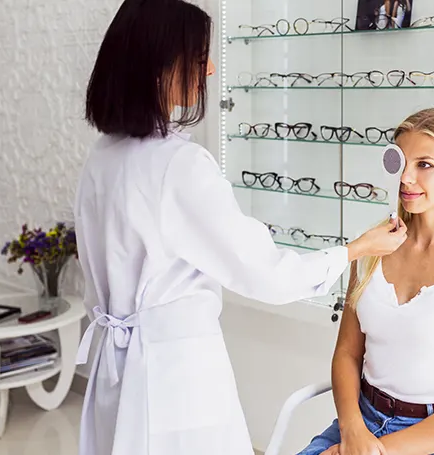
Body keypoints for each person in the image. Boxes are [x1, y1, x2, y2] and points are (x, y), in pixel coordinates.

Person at [72, 1, 407, 454]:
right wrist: (353, 249)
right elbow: (264, 272)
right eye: (196, 58)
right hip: (174, 379)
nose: (209, 69)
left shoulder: (102, 157)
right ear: (157, 68)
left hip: (116, 371)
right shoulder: (179, 166)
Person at [297, 108, 434, 455]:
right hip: (363, 422)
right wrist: (353, 432)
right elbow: (347, 354)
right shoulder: (372, 250)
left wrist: (377, 452)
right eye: (400, 163)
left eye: (424, 165)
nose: (405, 179)